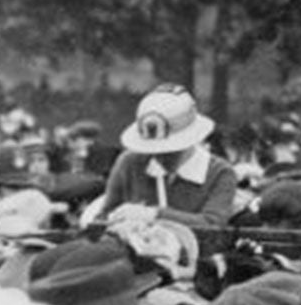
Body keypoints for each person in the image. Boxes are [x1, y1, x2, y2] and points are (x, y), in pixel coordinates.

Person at [93, 85, 239, 228]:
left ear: (189, 139)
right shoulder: (129, 162)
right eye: (150, 147)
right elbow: (103, 217)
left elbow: (212, 223)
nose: (159, 154)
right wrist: (115, 220)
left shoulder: (220, 173)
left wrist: (155, 214)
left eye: (171, 149)